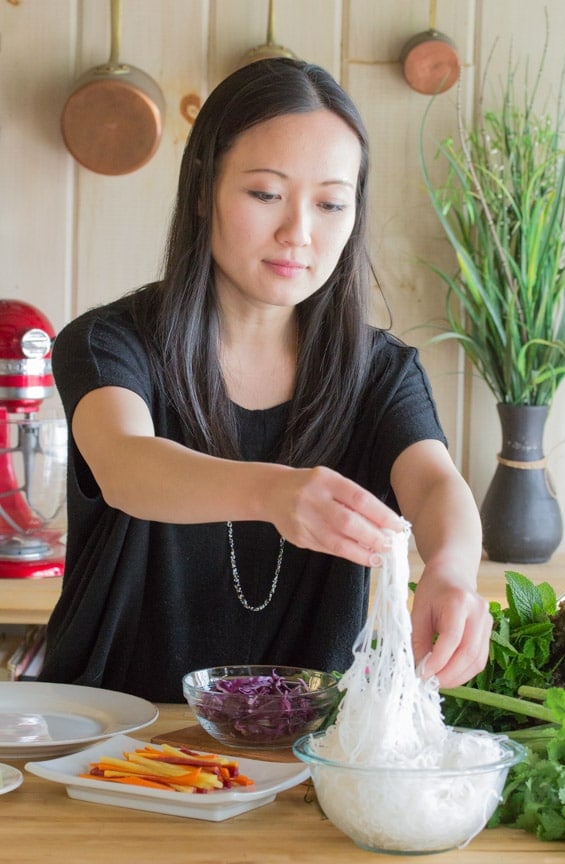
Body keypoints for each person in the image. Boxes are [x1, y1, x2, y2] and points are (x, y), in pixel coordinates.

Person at [39, 57, 492, 703]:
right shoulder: (111, 342)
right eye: (264, 194)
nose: (297, 233)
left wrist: (450, 572)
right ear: (204, 192)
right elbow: (125, 464)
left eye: (331, 203)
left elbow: (435, 483)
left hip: (300, 742)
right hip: (112, 731)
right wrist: (273, 493)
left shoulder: (379, 371)